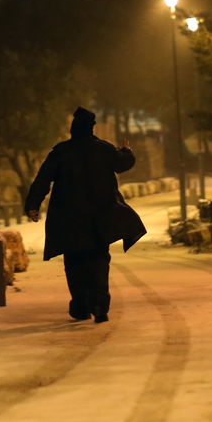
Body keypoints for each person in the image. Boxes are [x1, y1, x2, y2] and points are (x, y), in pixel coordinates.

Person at [24, 106, 145, 323]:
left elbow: (43, 179)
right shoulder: (104, 149)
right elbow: (122, 163)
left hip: (69, 220)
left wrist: (33, 205)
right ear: (91, 128)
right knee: (99, 261)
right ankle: (100, 305)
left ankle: (80, 307)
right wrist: (127, 151)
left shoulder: (60, 152)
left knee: (74, 263)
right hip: (100, 218)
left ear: (73, 129)